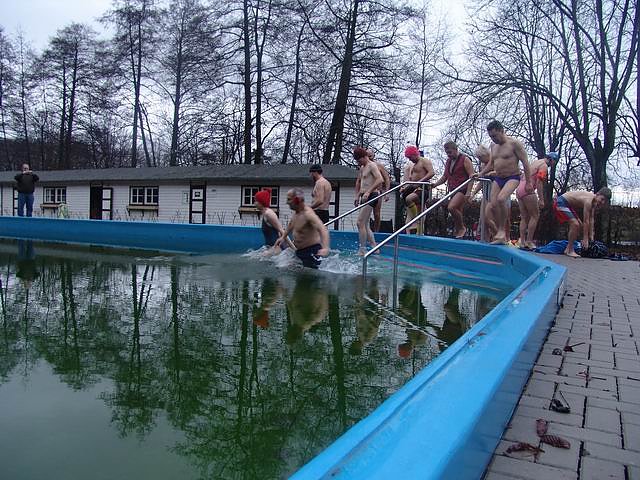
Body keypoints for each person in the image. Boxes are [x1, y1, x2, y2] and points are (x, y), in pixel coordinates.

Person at [477, 120, 532, 244]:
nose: (493, 139)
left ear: (502, 131)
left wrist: (528, 182)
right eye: (491, 136)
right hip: (498, 178)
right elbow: (491, 163)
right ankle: (500, 233)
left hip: (513, 177)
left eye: (495, 136)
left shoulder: (514, 144)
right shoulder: (493, 146)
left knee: (501, 199)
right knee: (493, 204)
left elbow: (525, 163)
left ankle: (502, 231)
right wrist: (481, 173)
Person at [275, 188, 330, 268]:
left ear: (297, 200)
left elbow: (323, 229)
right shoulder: (297, 213)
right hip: (300, 252)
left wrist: (325, 248)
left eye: (289, 199)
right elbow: (291, 224)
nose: (287, 202)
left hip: (311, 253)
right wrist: (283, 237)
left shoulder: (308, 214)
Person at [430, 141, 475, 238]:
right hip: (453, 189)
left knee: (451, 207)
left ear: (455, 149)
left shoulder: (465, 159)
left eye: (450, 152)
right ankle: (459, 232)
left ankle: (462, 228)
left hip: (462, 188)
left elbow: (472, 176)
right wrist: (435, 184)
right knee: (458, 211)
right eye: (447, 153)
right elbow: (445, 176)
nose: (448, 155)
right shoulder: (448, 161)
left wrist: (469, 192)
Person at [515, 151, 558, 249]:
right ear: (552, 160)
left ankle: (522, 242)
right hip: (528, 190)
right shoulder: (544, 166)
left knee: (524, 217)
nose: (554, 165)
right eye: (555, 162)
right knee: (535, 215)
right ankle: (529, 241)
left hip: (519, 189)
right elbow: (539, 182)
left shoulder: (536, 162)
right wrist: (541, 199)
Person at [553, 187, 611, 258]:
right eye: (602, 199)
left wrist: (591, 237)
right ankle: (569, 250)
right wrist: (585, 239)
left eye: (605, 201)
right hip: (560, 202)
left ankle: (568, 248)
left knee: (579, 224)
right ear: (597, 194)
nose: (602, 202)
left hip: (568, 205)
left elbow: (591, 219)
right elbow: (586, 221)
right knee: (575, 224)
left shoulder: (594, 203)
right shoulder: (588, 201)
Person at [353, 146, 383, 255]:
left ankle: (362, 249)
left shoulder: (372, 165)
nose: (358, 163)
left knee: (359, 222)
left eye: (359, 160)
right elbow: (361, 183)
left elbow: (380, 179)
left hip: (372, 195)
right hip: (364, 196)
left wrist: (368, 192)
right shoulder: (362, 168)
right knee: (365, 225)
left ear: (364, 156)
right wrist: (357, 196)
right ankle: (375, 248)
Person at [285, 274, 329, 344]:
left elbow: (290, 305)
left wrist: (286, 294)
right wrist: (321, 291)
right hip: (314, 286)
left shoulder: (295, 323)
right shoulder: (308, 321)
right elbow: (322, 308)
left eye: (288, 333)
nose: (288, 331)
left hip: (303, 283)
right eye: (289, 333)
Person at [401, 146, 435, 234]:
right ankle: (419, 232)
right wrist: (405, 188)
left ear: (414, 154)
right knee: (405, 197)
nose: (410, 160)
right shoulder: (414, 164)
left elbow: (432, 172)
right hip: (414, 187)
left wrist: (420, 181)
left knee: (409, 199)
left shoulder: (424, 161)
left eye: (410, 157)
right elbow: (412, 177)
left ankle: (415, 220)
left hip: (423, 187)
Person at [254, 188, 292, 255]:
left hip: (277, 248)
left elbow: (282, 231)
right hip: (270, 248)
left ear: (261, 202)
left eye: (256, 201)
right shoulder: (265, 213)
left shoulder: (269, 214)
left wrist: (293, 249)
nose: (254, 203)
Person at [366, 149, 391, 232]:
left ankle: (376, 231)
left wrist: (386, 193)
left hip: (377, 192)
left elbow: (387, 179)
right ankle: (366, 230)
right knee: (365, 214)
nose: (369, 158)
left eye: (370, 156)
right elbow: (360, 181)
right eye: (367, 156)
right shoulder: (364, 166)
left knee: (376, 214)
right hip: (367, 192)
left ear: (374, 156)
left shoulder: (379, 166)